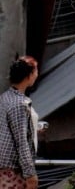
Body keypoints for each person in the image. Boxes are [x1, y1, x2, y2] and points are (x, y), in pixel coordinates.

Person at [0, 56, 39, 189]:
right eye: (35, 71)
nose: (36, 75)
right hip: (12, 172)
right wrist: (30, 174)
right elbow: (21, 141)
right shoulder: (19, 104)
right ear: (29, 76)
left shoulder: (5, 97)